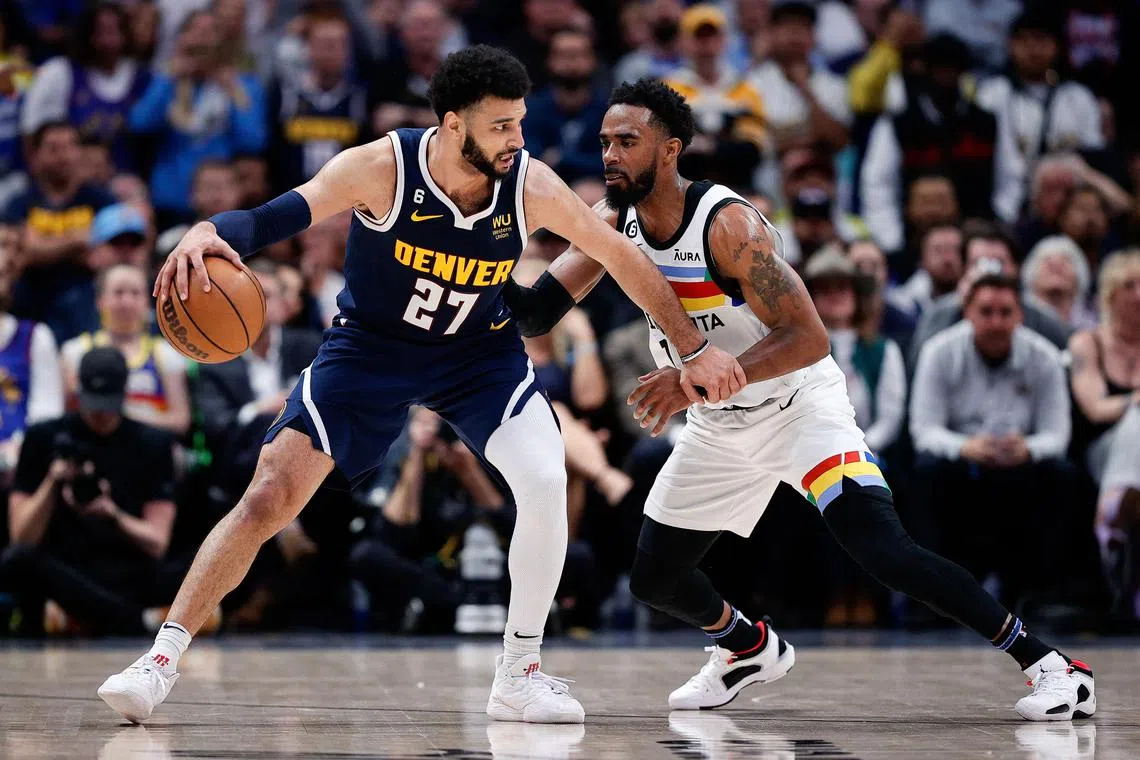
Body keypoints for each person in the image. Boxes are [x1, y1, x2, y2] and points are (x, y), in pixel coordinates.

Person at [97, 46, 743, 726]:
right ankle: (159, 662)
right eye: (501, 126)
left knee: (547, 480)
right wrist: (208, 228)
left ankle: (520, 673)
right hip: (371, 351)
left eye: (520, 122)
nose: (517, 139)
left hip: (477, 356)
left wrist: (695, 348)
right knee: (268, 494)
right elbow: (272, 219)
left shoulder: (529, 184)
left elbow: (621, 256)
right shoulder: (381, 166)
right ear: (454, 124)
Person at [507, 78, 1096, 721]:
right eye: (604, 143)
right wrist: (470, 250)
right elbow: (537, 313)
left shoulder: (728, 225)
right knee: (655, 579)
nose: (611, 155)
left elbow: (809, 337)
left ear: (670, 149)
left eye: (628, 141)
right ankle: (746, 648)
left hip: (798, 408)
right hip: (717, 423)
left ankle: (1054, 667)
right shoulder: (611, 221)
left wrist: (694, 376)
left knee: (883, 550)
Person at [910, 275, 1074, 608]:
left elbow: (1057, 434)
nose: (996, 322)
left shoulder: (1044, 357)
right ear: (968, 312)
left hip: (1021, 465)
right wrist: (964, 447)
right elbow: (923, 430)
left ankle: (1040, 595)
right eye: (986, 311)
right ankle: (932, 598)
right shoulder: (939, 352)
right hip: (962, 465)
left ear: (1020, 315)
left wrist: (1029, 448)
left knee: (1062, 474)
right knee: (927, 470)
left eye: (1005, 312)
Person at [0, 347, 180, 636]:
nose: (100, 414)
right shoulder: (44, 437)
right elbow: (21, 536)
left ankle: (81, 617)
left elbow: (157, 542)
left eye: (108, 404)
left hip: (127, 566)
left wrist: (113, 514)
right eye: (94, 403)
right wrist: (53, 481)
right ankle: (140, 622)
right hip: (67, 565)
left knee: (199, 560)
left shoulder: (152, 442)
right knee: (17, 562)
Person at [60, 264, 191, 437]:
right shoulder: (75, 352)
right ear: (100, 301)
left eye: (135, 293)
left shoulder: (166, 353)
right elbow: (64, 415)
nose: (127, 302)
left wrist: (119, 417)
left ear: (147, 301)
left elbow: (180, 421)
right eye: (119, 292)